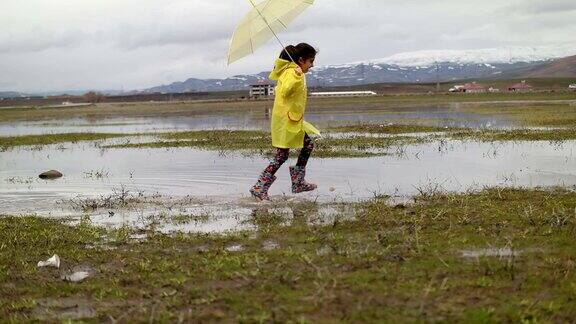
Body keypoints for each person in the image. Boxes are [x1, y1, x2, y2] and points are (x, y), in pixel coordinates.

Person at [250, 43, 320, 201]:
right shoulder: (291, 72)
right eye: (311, 61)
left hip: (291, 119)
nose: (312, 64)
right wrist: (296, 75)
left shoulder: (293, 71)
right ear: (301, 60)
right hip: (286, 121)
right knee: (283, 155)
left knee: (304, 146)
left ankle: (296, 182)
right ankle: (260, 187)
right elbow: (286, 90)